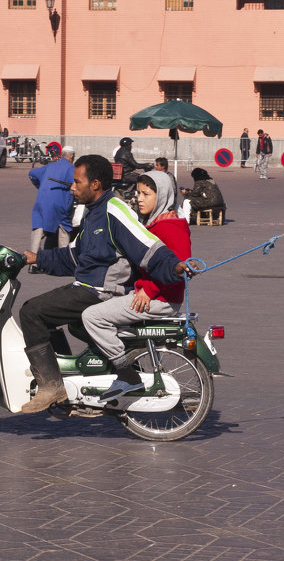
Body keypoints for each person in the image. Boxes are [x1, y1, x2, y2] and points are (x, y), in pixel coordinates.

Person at [17, 155, 193, 413]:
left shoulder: (115, 210)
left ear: (95, 184)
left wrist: (175, 267)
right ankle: (68, 381)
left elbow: (149, 248)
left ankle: (51, 386)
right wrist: (36, 258)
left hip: (101, 293)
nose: (72, 187)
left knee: (31, 311)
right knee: (48, 314)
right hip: (87, 288)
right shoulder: (92, 214)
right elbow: (73, 256)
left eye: (77, 182)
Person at [83, 170, 192, 399]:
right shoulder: (155, 222)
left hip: (160, 299)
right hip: (153, 295)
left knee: (92, 316)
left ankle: (126, 374)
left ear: (161, 196)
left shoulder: (170, 226)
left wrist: (148, 290)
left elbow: (176, 268)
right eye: (138, 193)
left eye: (146, 194)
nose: (139, 198)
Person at [27, 146, 76, 272]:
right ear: (71, 157)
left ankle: (32, 264)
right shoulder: (71, 168)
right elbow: (75, 184)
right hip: (59, 203)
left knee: (38, 229)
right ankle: (64, 263)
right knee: (64, 229)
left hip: (41, 201)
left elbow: (32, 174)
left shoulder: (50, 166)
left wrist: (39, 185)